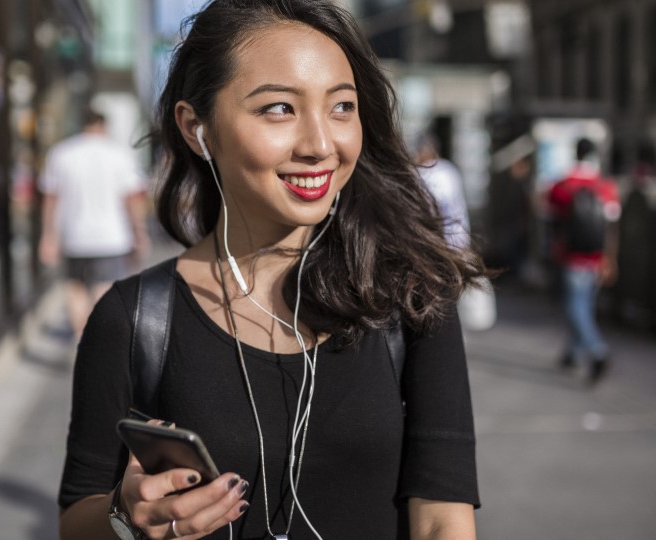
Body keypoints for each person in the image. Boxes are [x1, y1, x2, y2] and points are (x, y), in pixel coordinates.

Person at [58, 1, 486, 539]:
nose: (320, 145)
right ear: (196, 128)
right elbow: (77, 518)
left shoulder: (411, 295)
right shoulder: (134, 319)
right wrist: (126, 517)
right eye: (279, 108)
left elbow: (443, 519)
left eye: (342, 106)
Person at [39, 109, 150, 337]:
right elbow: (132, 199)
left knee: (75, 287)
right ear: (104, 126)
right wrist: (139, 233)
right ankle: (97, 339)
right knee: (104, 288)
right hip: (112, 236)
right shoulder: (120, 154)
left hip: (73, 236)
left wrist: (48, 236)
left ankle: (80, 338)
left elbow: (51, 199)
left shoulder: (61, 153)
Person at [546, 138, 620, 386]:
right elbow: (612, 226)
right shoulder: (604, 186)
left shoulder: (563, 186)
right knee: (584, 306)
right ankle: (572, 354)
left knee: (575, 308)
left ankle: (597, 352)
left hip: (571, 258)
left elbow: (549, 219)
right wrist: (610, 259)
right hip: (597, 259)